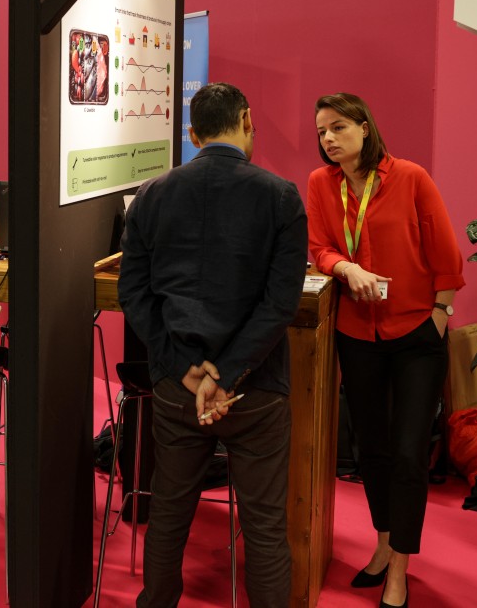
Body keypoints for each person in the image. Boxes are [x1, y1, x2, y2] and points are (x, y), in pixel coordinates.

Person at [118, 82, 309, 607]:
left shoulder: (152, 195)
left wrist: (186, 370)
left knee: (169, 515)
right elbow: (280, 304)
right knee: (265, 527)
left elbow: (133, 292)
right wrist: (225, 373)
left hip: (180, 390)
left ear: (192, 133)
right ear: (247, 120)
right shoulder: (281, 195)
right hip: (257, 388)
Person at [306, 92, 464, 608]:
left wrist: (440, 315)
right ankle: (382, 542)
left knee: (408, 451)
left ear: (365, 128)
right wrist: (344, 267)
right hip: (357, 332)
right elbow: (319, 246)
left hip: (417, 332)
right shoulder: (319, 184)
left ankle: (400, 567)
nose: (328, 139)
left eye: (338, 128)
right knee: (368, 448)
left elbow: (445, 251)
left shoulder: (411, 177)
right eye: (321, 131)